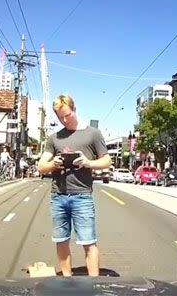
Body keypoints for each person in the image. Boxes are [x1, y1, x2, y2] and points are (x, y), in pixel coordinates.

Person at [38, 94, 112, 277]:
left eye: (67, 115)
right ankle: (66, 280)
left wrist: (88, 163)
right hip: (58, 196)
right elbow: (41, 166)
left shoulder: (92, 133)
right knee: (61, 241)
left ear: (74, 109)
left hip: (82, 196)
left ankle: (93, 283)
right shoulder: (53, 138)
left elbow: (107, 160)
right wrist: (53, 164)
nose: (64, 120)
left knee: (89, 242)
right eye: (60, 117)